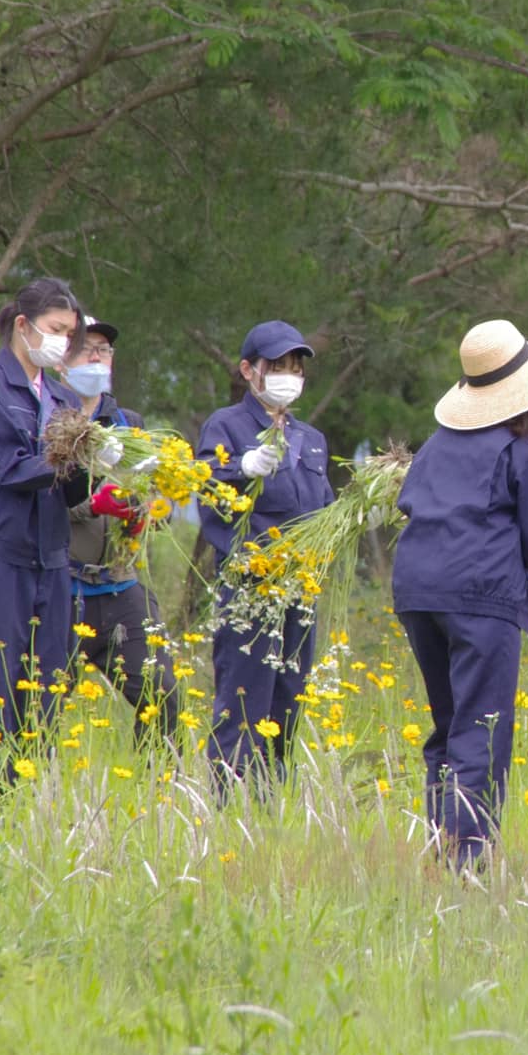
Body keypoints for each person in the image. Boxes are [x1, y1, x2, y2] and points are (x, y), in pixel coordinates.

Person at [392, 319, 528, 868]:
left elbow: (426, 509)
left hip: (418, 590)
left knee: (449, 723)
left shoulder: (438, 445)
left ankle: (441, 844)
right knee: (483, 727)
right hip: (480, 597)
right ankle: (467, 863)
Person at [0, 276, 91, 778]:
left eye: (70, 334)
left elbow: (71, 493)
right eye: (56, 329)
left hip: (50, 559)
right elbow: (10, 467)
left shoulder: (63, 398)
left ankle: (28, 807)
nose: (63, 342)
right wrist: (72, 453)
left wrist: (95, 464)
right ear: (25, 325)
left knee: (44, 696)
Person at [196, 321, 336, 790]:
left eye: (295, 367)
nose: (288, 376)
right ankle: (225, 804)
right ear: (248, 370)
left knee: (288, 701)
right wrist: (240, 468)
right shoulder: (226, 424)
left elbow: (325, 508)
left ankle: (269, 802)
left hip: (300, 590)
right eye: (276, 366)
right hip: (250, 589)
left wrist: (360, 516)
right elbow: (205, 486)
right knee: (242, 700)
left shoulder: (311, 437)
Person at [61, 319, 181, 748]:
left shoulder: (129, 423)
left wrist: (148, 512)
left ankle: (159, 796)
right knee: (40, 705)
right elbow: (35, 502)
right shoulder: (48, 418)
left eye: (105, 350)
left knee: (162, 694)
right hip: (60, 587)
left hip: (118, 585)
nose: (97, 357)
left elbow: (154, 500)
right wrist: (91, 505)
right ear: (61, 359)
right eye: (86, 348)